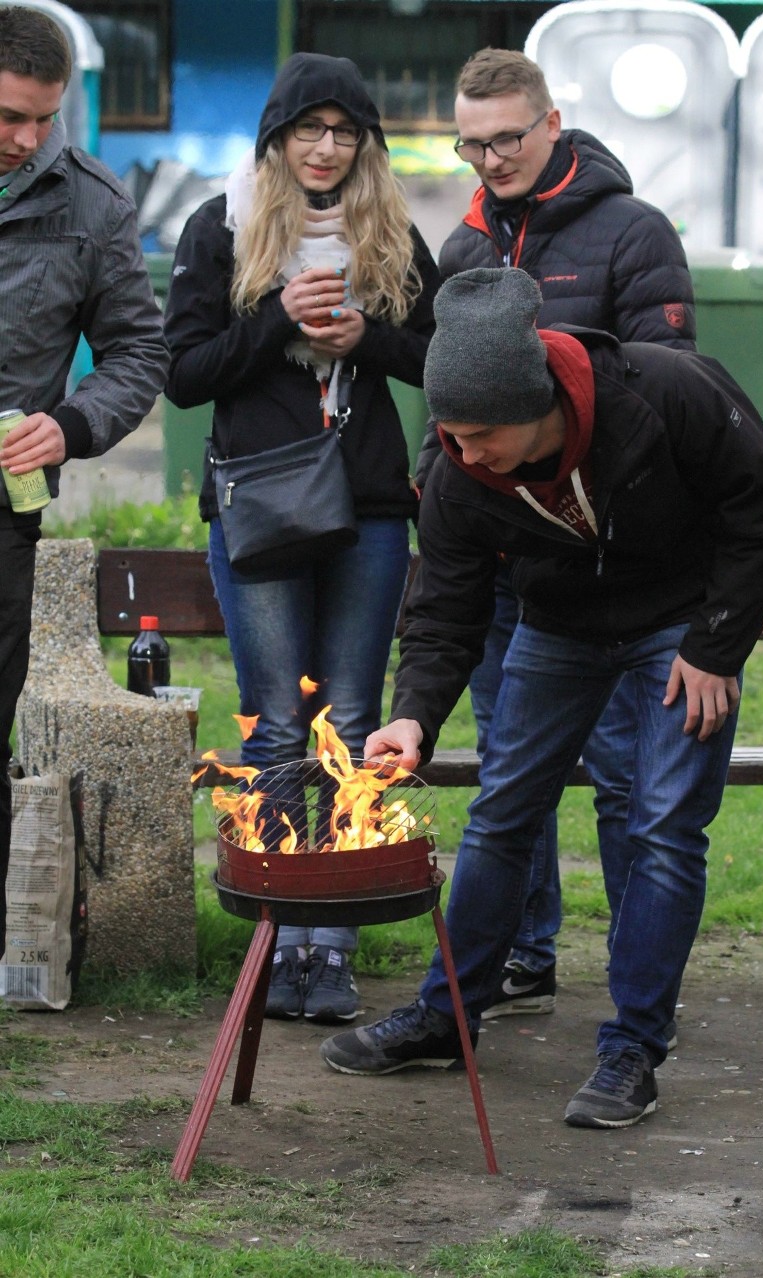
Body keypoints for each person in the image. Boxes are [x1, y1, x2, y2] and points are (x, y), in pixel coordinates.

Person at [320, 267, 763, 1129]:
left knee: (661, 824)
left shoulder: (666, 393)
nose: (466, 456)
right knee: (504, 811)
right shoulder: (461, 476)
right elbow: (446, 610)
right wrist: (414, 714)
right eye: (451, 437)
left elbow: (757, 504)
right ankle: (446, 1015)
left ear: (537, 401)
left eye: (482, 434)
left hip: (681, 625)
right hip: (562, 625)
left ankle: (632, 1049)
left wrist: (717, 645)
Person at [417, 48, 698, 1023]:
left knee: (625, 786)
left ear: (552, 122)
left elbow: (663, 390)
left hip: (599, 570)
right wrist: (444, 497)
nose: (490, 159)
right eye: (472, 144)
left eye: (506, 138)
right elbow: (438, 409)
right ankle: (517, 964)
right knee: (510, 781)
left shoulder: (632, 231)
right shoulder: (461, 252)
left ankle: (636, 990)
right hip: (494, 567)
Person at [164, 53, 439, 1025]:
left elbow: (440, 358)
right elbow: (186, 374)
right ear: (276, 139)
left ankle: (335, 940)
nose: (325, 149)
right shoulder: (222, 225)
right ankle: (280, 935)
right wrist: (277, 319)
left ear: (364, 143)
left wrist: (367, 339)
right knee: (279, 721)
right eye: (307, 131)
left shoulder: (391, 228)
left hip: (366, 507)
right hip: (262, 503)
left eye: (344, 132)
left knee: (356, 719)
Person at [0, 7, 169, 957]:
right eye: (9, 116)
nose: (28, 139)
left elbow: (139, 352)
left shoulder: (93, 202)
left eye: (44, 118)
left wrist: (67, 425)